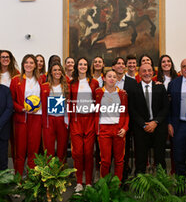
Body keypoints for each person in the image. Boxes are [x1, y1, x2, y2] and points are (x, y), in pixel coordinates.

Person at [132, 63, 169, 174]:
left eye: (149, 70)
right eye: (144, 71)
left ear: (153, 73)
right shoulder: (134, 88)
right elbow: (132, 110)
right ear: (140, 73)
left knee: (160, 158)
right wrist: (144, 124)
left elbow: (165, 107)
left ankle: (161, 184)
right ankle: (140, 187)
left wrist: (155, 122)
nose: (147, 73)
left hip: (158, 127)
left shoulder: (160, 87)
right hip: (141, 129)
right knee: (140, 160)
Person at [69, 57, 99, 192]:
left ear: (88, 67)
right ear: (77, 67)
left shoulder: (94, 83)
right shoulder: (71, 83)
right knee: (78, 153)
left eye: (85, 64)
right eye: (80, 64)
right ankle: (79, 182)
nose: (82, 66)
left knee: (88, 153)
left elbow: (99, 101)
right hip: (76, 121)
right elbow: (69, 103)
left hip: (90, 120)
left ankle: (89, 182)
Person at [10, 54, 42, 175]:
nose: (28, 65)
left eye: (31, 63)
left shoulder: (41, 79)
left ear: (35, 65)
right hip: (21, 118)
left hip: (37, 118)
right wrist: (21, 108)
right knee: (20, 151)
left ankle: (31, 180)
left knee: (33, 151)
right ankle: (18, 179)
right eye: (26, 62)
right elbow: (11, 100)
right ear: (23, 65)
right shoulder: (16, 80)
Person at [95, 70, 129, 181]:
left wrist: (125, 128)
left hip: (118, 129)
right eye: (109, 76)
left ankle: (117, 186)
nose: (112, 78)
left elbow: (126, 114)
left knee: (119, 160)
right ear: (104, 78)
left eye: (114, 77)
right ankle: (104, 185)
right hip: (104, 129)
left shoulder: (122, 94)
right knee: (105, 160)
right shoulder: (98, 93)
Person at [111, 56, 138, 182]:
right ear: (113, 67)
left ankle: (124, 180)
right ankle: (111, 179)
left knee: (125, 153)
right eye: (118, 63)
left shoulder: (132, 83)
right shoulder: (108, 81)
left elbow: (136, 104)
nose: (121, 65)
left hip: (127, 124)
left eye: (123, 64)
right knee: (110, 154)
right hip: (110, 122)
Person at [154, 54, 179, 174]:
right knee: (160, 147)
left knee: (176, 145)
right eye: (163, 62)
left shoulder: (178, 77)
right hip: (161, 116)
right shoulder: (155, 79)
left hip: (175, 114)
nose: (166, 63)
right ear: (160, 65)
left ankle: (174, 170)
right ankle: (161, 173)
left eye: (168, 61)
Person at [41, 62, 70, 162]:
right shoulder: (44, 86)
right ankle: (49, 174)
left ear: (62, 72)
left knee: (62, 148)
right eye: (55, 70)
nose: (57, 72)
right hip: (50, 120)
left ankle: (61, 173)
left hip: (62, 120)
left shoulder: (66, 86)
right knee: (49, 149)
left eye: (59, 70)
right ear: (51, 73)